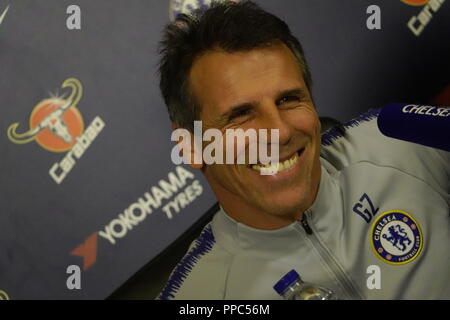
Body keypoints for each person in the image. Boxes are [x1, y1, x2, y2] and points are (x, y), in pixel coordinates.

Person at [156, 0, 450, 299]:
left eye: (287, 100)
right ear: (191, 146)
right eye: (241, 114)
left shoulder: (399, 138)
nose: (281, 132)